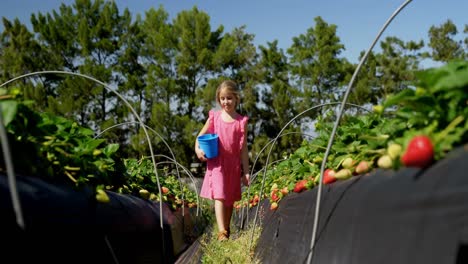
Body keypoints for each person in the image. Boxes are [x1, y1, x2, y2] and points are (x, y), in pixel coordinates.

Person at [195, 80, 250, 241]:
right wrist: (198, 149)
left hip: (233, 166)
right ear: (219, 100)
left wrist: (245, 172)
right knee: (219, 196)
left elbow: (244, 149)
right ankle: (221, 232)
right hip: (217, 163)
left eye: (229, 98)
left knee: (229, 199)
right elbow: (200, 136)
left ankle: (226, 228)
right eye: (223, 98)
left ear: (236, 98)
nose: (226, 102)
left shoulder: (241, 122)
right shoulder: (215, 118)